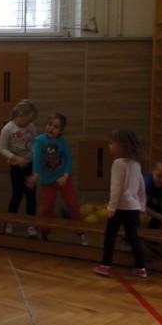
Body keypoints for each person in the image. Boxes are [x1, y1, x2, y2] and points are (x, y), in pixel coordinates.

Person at [93, 129, 147, 279]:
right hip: (134, 208)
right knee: (133, 237)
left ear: (121, 145)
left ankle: (105, 266)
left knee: (110, 236)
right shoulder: (136, 164)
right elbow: (142, 188)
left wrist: (111, 207)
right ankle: (141, 268)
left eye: (111, 143)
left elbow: (116, 188)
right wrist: (142, 207)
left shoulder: (118, 163)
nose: (109, 145)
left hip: (120, 208)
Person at [27, 112, 85, 244]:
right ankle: (44, 234)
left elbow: (68, 159)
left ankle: (81, 233)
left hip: (63, 178)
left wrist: (65, 176)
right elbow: (36, 159)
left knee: (72, 205)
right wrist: (35, 174)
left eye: (56, 127)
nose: (51, 128)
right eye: (49, 125)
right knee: (47, 209)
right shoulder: (40, 140)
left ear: (61, 130)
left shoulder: (63, 142)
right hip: (47, 180)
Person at [0, 99, 39, 236]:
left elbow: (35, 143)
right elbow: (2, 149)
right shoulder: (8, 129)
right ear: (21, 113)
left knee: (31, 196)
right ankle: (9, 222)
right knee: (17, 195)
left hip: (30, 165)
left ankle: (31, 224)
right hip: (16, 167)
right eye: (29, 118)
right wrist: (16, 158)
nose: (30, 121)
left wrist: (34, 158)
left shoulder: (31, 127)